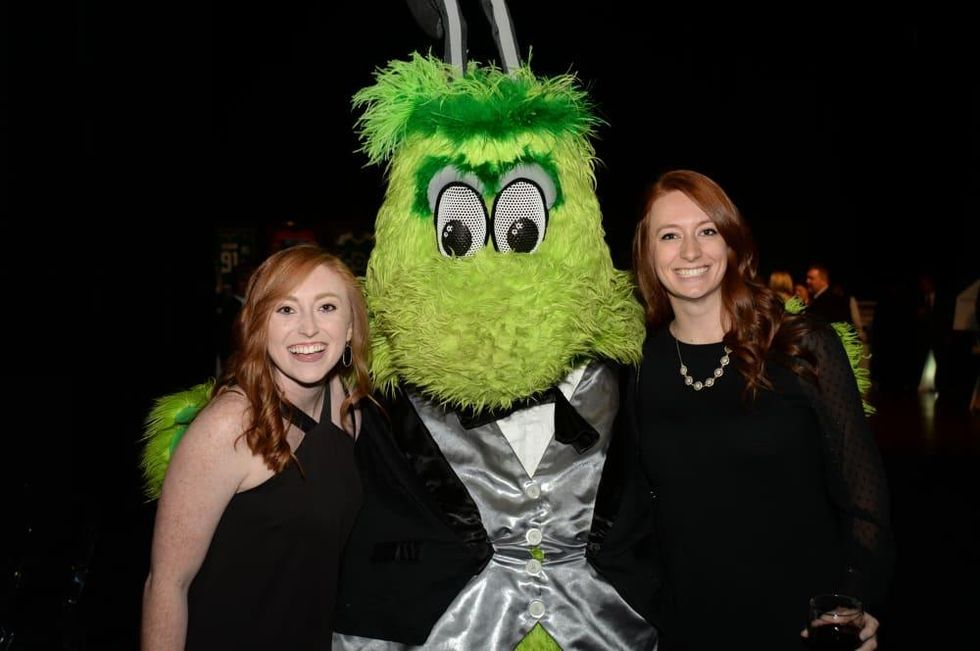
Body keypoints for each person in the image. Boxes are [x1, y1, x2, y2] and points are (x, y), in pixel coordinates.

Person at [630, 170, 893, 651]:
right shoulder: (636, 368)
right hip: (686, 627)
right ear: (647, 253)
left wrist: (852, 603)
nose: (690, 252)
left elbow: (865, 500)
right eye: (670, 236)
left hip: (800, 626)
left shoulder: (802, 344)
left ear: (732, 243)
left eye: (707, 231)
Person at [141, 244, 371, 650]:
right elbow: (167, 584)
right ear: (259, 323)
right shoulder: (229, 424)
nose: (308, 329)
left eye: (327, 307)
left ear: (351, 325)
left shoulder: (346, 406)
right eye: (286, 309)